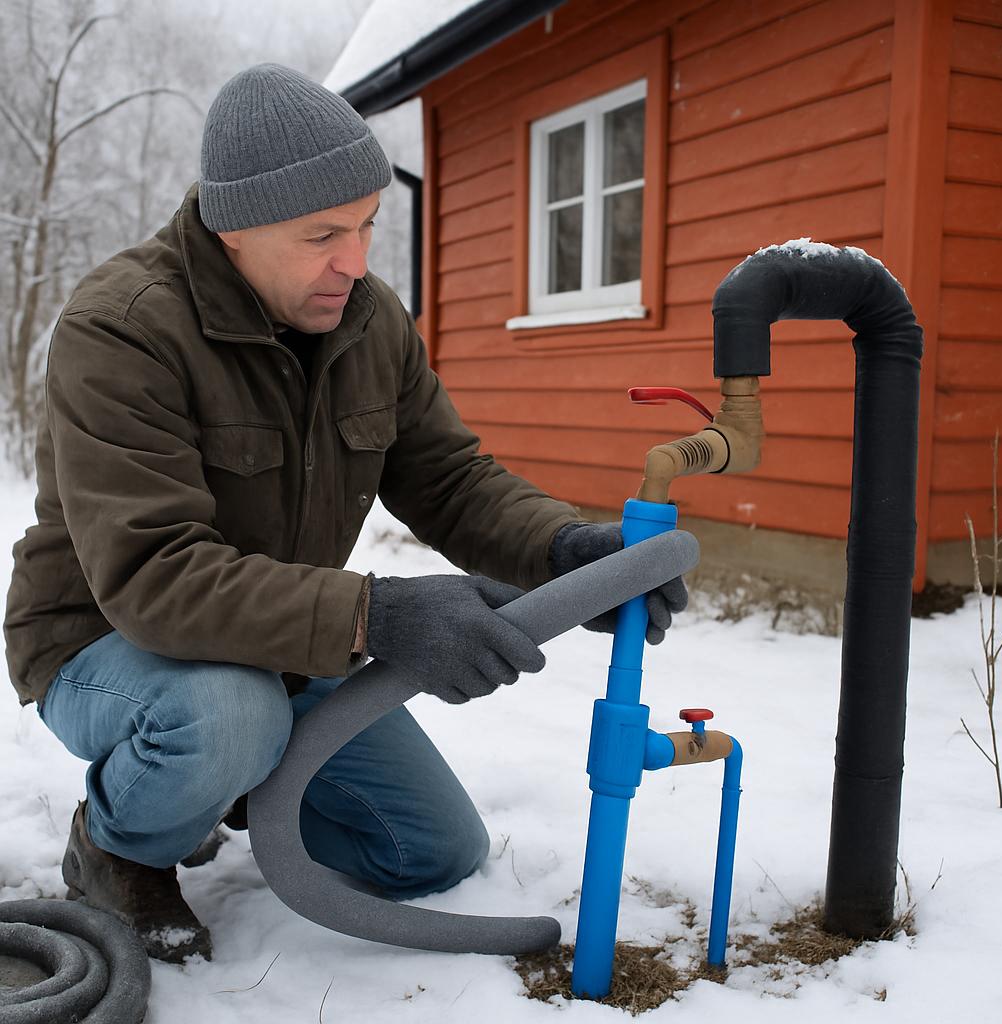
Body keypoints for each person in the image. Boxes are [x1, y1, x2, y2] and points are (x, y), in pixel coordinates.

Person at [3, 63, 687, 963]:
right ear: (232, 228)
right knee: (229, 717)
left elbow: (448, 478)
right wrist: (376, 614)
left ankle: (224, 782)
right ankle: (116, 847)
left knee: (430, 851)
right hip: (105, 643)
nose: (356, 262)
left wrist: (561, 551)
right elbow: (152, 576)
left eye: (367, 224)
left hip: (281, 648)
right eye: (323, 234)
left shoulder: (367, 321)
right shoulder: (123, 328)